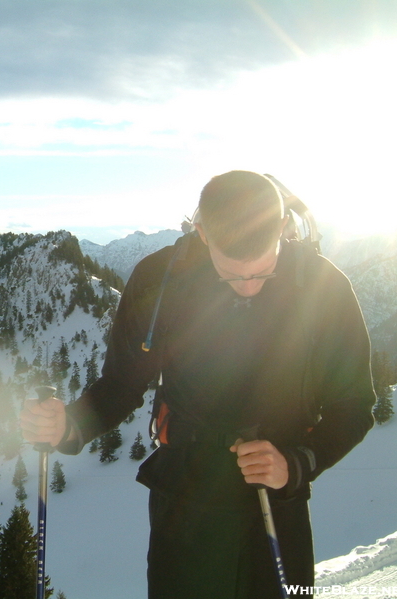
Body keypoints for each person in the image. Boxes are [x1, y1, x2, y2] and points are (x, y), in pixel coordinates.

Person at [20, 170, 375, 598]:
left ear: (283, 228)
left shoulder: (323, 286)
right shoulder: (161, 281)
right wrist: (69, 425)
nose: (248, 288)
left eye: (264, 271)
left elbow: (353, 405)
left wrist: (296, 464)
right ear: (202, 234)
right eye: (231, 274)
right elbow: (123, 382)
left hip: (277, 496)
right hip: (187, 496)